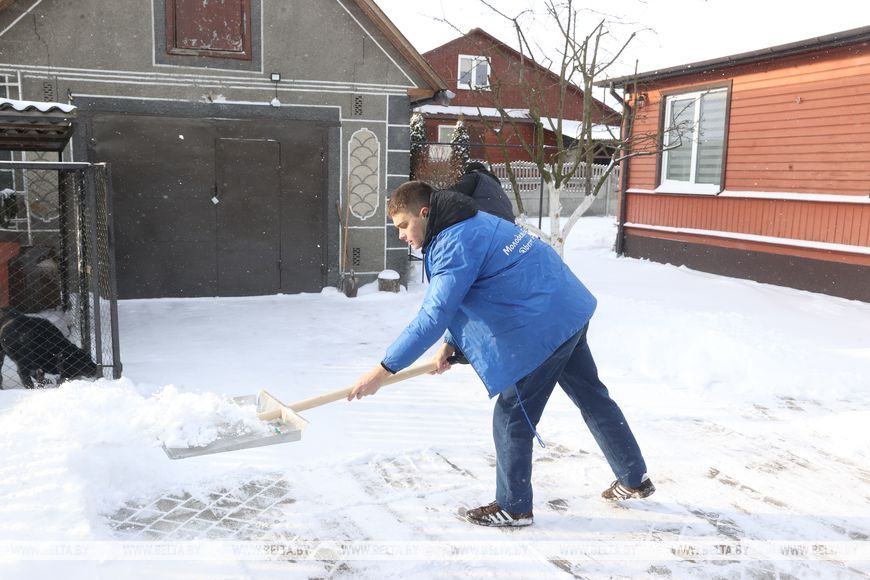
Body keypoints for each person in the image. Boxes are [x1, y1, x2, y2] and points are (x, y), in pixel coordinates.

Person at [347, 180, 653, 528]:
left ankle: (514, 506)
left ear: (425, 212)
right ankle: (634, 477)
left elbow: (434, 315)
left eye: (403, 225)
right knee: (593, 397)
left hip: (539, 326)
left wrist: (383, 370)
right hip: (567, 308)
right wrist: (452, 343)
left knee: (511, 417)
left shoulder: (453, 242)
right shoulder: (473, 220)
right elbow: (481, 288)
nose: (401, 235)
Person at [451, 161, 515, 223]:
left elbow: (453, 194)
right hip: (508, 225)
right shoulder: (496, 187)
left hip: (488, 221)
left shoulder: (474, 176)